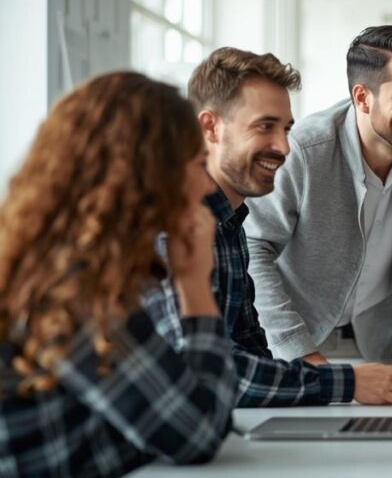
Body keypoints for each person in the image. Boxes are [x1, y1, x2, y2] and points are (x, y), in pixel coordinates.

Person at [145, 47, 392, 408]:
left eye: (286, 129)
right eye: (265, 126)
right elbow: (206, 377)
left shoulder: (231, 225)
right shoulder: (170, 225)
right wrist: (345, 382)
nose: (283, 147)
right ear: (210, 127)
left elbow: (252, 354)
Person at [0, 72, 236, 475]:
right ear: (151, 174)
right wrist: (194, 283)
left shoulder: (47, 260)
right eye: (199, 165)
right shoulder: (73, 287)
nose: (208, 187)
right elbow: (197, 433)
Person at [245, 26, 392, 364]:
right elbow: (254, 248)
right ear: (362, 97)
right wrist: (299, 351)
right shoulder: (304, 150)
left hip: (382, 343)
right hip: (294, 344)